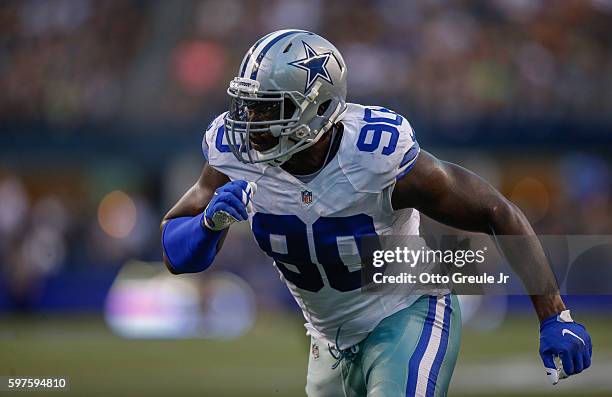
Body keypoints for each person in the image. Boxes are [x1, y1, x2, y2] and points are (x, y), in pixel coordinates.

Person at [160, 30, 592, 396]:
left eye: (269, 108)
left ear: (316, 110)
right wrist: (207, 225)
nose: (251, 122)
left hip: (407, 309)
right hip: (327, 340)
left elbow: (497, 212)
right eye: (249, 105)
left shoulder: (375, 156)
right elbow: (175, 253)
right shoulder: (232, 152)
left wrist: (554, 314)